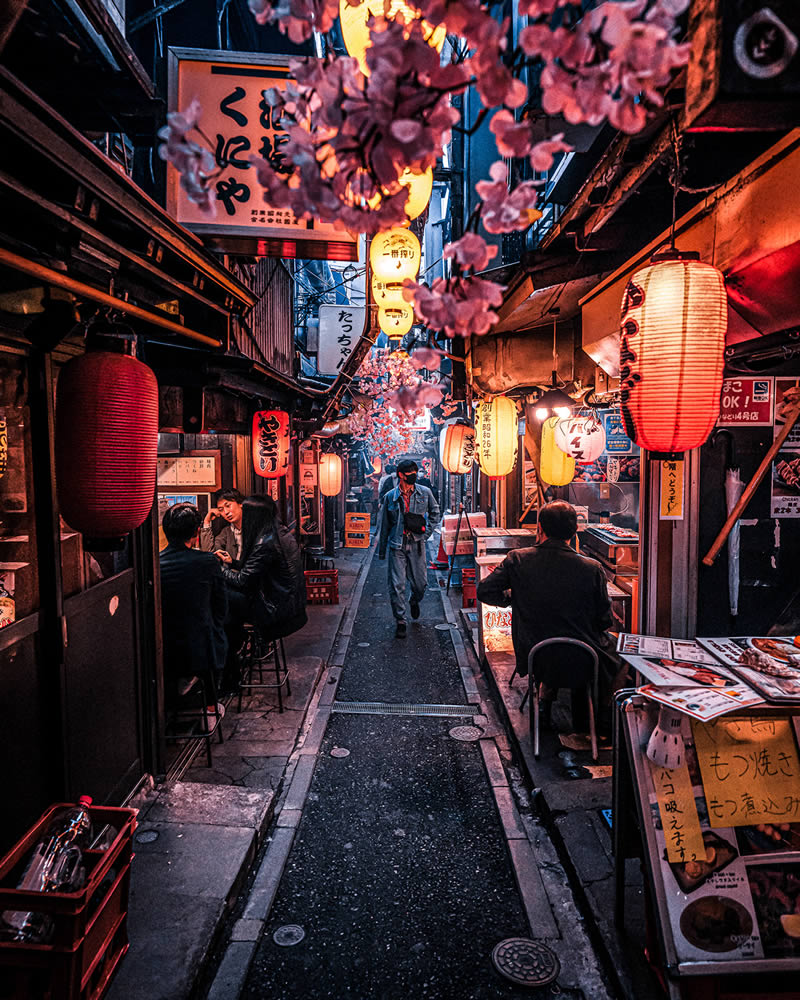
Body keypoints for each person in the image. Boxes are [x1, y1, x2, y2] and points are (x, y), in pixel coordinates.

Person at [476, 500, 622, 736]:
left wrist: (514, 597)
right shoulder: (592, 568)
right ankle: (599, 718)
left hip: (534, 655)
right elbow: (603, 621)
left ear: (540, 529)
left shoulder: (518, 559)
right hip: (582, 658)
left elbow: (485, 591)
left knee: (554, 640)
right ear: (574, 532)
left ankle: (545, 703)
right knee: (620, 652)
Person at [159, 502, 228, 710]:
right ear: (196, 532)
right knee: (220, 632)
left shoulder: (156, 563)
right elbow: (221, 607)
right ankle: (210, 706)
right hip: (201, 649)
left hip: (166, 648)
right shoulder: (207, 562)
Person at [218, 495, 308, 642]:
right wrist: (233, 562)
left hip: (274, 610)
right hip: (291, 607)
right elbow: (260, 568)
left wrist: (216, 567)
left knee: (221, 595)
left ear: (253, 517)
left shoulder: (265, 542)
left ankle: (234, 647)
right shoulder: (280, 532)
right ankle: (237, 646)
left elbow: (242, 581)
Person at [378, 459, 440, 638]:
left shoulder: (425, 493)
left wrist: (426, 534)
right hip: (396, 545)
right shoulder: (390, 496)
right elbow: (384, 526)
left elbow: (435, 512)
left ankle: (414, 600)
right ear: (401, 475)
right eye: (410, 473)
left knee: (421, 584)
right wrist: (382, 551)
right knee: (397, 584)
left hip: (417, 544)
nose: (414, 475)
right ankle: (400, 620)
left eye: (415, 472)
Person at [200, 489, 244, 562]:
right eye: (221, 510)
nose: (226, 512)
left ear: (240, 503)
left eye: (228, 506)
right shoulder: (226, 532)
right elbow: (208, 554)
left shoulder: (255, 528)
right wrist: (206, 522)